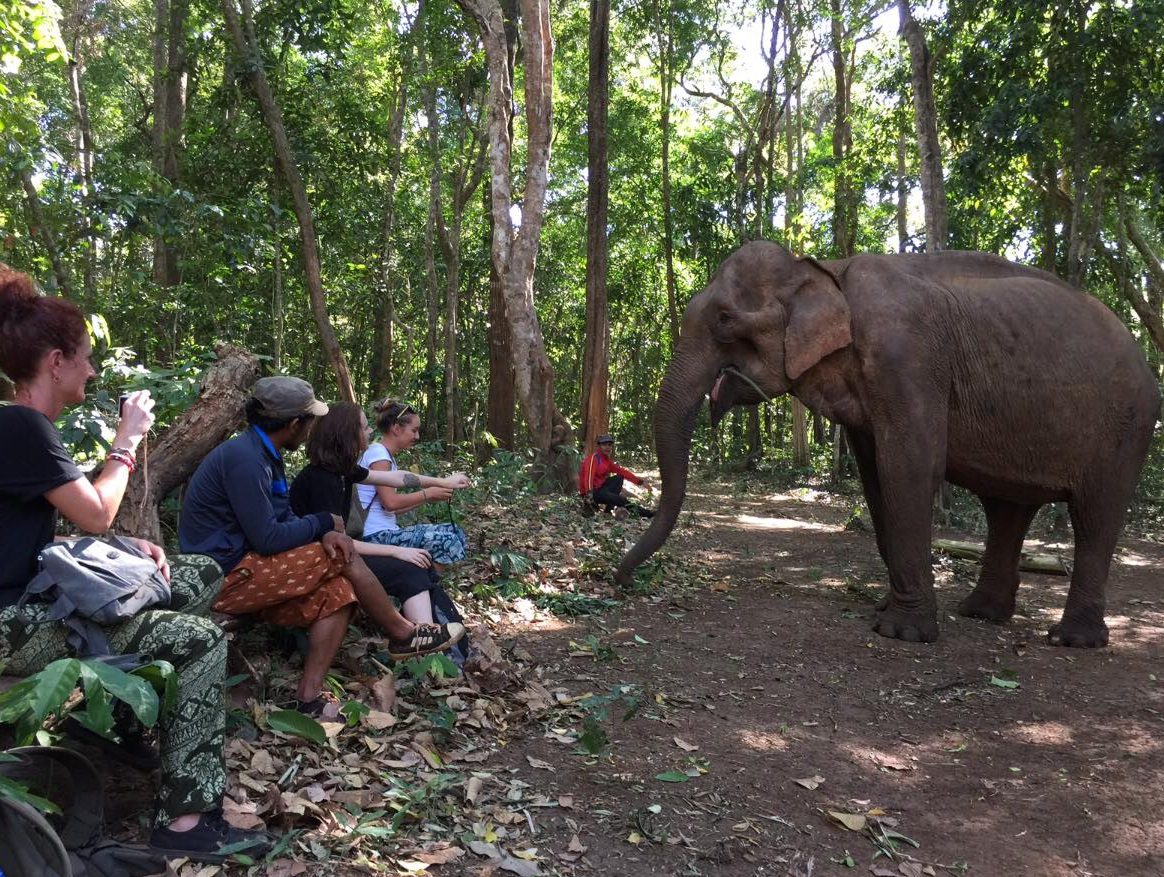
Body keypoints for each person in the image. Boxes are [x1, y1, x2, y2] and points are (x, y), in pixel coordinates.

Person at [0, 266, 271, 863]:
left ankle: (119, 718)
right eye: (86, 358)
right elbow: (96, 514)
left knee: (194, 572)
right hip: (11, 625)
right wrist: (127, 439)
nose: (92, 370)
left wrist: (129, 550)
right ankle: (187, 822)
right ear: (55, 361)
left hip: (29, 601)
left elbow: (46, 522)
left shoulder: (22, 427)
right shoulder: (20, 424)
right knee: (198, 639)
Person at [178, 377, 464, 715]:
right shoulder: (246, 460)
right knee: (340, 553)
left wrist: (323, 530)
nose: (312, 427)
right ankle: (402, 632)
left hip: (248, 565)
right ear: (295, 423)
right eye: (309, 420)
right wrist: (324, 524)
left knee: (339, 593)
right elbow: (268, 538)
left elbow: (281, 519)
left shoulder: (265, 456)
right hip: (222, 576)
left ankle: (309, 698)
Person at [289, 402, 470, 637]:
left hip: (340, 552)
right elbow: (338, 542)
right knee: (408, 567)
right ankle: (423, 638)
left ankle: (427, 637)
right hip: (322, 558)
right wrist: (395, 550)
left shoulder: (342, 470)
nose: (370, 432)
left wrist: (443, 482)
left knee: (412, 568)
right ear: (347, 434)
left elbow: (395, 479)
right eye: (364, 428)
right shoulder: (323, 480)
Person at [358, 400, 469, 564]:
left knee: (455, 531)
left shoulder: (384, 455)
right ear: (396, 429)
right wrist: (428, 493)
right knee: (447, 541)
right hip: (374, 536)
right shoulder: (379, 455)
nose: (417, 436)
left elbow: (391, 509)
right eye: (414, 430)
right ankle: (430, 585)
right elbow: (391, 503)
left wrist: (429, 497)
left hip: (385, 530)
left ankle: (427, 582)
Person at [578, 434, 655, 519]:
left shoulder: (606, 461)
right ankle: (648, 514)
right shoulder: (594, 458)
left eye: (609, 445)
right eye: (604, 445)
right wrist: (589, 495)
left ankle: (608, 510)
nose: (607, 447)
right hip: (592, 493)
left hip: (601, 489)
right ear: (599, 446)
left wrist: (641, 482)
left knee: (619, 478)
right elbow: (588, 477)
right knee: (621, 500)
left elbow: (623, 472)